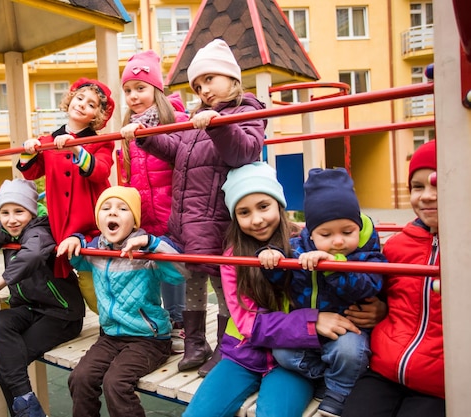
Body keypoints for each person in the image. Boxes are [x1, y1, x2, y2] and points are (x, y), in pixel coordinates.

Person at [184, 162, 362, 417]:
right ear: (235, 217)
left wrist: (375, 308)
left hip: (294, 360)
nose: (256, 220)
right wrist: (312, 323)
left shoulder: (307, 245)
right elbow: (248, 324)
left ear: (279, 204)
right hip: (243, 355)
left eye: (264, 207)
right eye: (244, 212)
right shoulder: (234, 257)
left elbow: (346, 276)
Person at [134, 38, 267, 376]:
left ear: (230, 77)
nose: (204, 89)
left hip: (218, 217)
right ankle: (195, 341)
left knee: (223, 284)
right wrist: (145, 137)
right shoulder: (197, 118)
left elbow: (246, 151)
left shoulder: (247, 110)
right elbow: (176, 150)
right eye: (197, 85)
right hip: (188, 218)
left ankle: (225, 345)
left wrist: (217, 126)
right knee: (193, 280)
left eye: (209, 79)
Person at [259, 168, 386, 417]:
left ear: (358, 227)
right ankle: (325, 377)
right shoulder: (298, 248)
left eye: (347, 232)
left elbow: (371, 285)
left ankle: (338, 393)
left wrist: (334, 267)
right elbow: (280, 279)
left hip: (346, 330)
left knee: (351, 353)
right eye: (326, 235)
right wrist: (271, 259)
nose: (338, 241)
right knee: (282, 353)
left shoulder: (366, 255)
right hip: (308, 328)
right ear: (311, 233)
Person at [0, 179, 84, 417]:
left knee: (5, 369)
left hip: (61, 314)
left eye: (19, 212)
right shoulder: (4, 231)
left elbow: (32, 255)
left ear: (31, 212)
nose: (11, 219)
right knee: (1, 320)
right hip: (29, 310)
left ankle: (27, 411)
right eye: (5, 212)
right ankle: (28, 406)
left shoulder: (41, 230)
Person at [56, 186, 186, 417]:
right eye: (106, 208)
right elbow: (77, 258)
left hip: (149, 339)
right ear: (99, 220)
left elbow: (180, 271)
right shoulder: (97, 250)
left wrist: (152, 244)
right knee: (80, 378)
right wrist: (75, 239)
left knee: (115, 384)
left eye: (122, 208)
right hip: (110, 336)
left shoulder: (147, 252)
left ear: (134, 222)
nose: (113, 213)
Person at [343, 140, 444, 417]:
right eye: (418, 187)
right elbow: (389, 297)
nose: (426, 196)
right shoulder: (398, 246)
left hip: (441, 384)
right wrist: (382, 310)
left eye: (437, 184)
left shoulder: (463, 248)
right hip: (385, 370)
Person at [18, 78, 115, 314]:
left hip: (91, 225)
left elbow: (101, 170)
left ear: (96, 116)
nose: (82, 105)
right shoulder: (48, 142)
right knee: (62, 274)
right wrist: (28, 150)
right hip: (61, 225)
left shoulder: (100, 142)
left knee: (94, 281)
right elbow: (31, 172)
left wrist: (76, 149)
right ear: (70, 100)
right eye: (80, 98)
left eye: (91, 104)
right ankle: (69, 314)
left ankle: (109, 319)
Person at [118, 49, 189, 352]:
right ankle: (159, 322)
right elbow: (126, 176)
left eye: (140, 88)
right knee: (152, 269)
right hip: (145, 214)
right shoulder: (127, 134)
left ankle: (180, 322)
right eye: (128, 91)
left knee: (174, 268)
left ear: (156, 90)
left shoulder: (176, 120)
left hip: (171, 210)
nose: (133, 96)